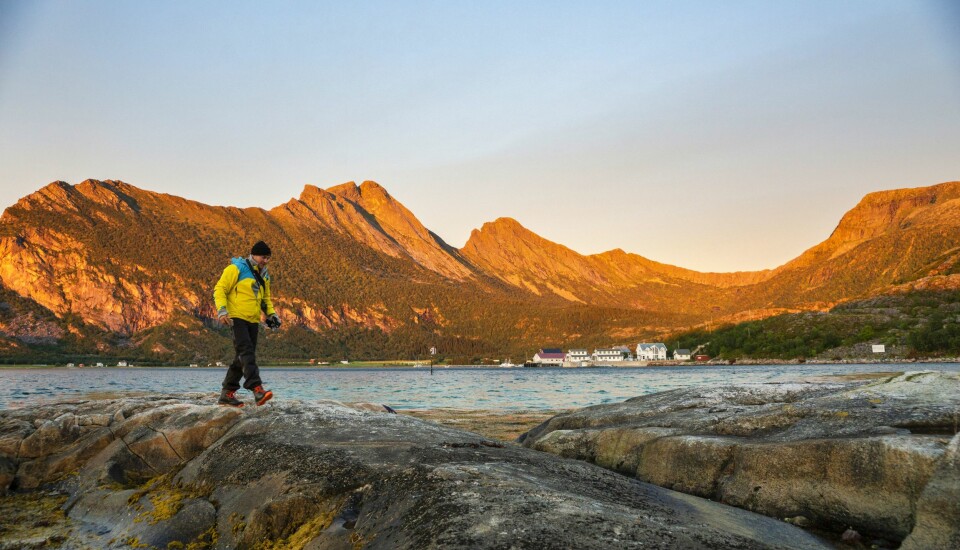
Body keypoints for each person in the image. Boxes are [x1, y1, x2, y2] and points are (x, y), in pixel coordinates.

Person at [213, 240, 281, 407]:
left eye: (268, 258)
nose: (266, 261)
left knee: (241, 357)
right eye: (264, 257)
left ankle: (227, 394)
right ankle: (257, 389)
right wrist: (222, 310)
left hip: (253, 320)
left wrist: (272, 314)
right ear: (254, 255)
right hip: (236, 317)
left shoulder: (264, 275)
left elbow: (265, 299)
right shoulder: (236, 268)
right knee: (246, 351)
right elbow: (220, 289)